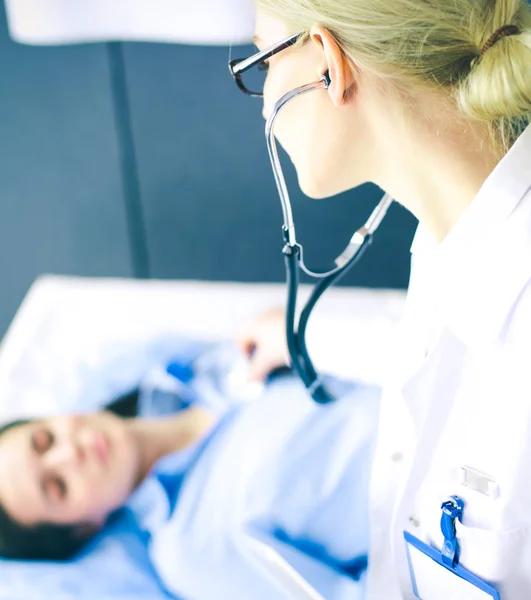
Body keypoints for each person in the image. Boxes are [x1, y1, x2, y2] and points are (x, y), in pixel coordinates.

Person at [234, 1, 531, 598]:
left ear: (328, 64)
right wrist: (297, 338)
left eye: (263, 62)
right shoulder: (451, 239)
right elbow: (419, 355)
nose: (264, 104)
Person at [0, 351, 380, 599]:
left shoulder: (201, 366)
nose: (70, 453)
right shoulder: (190, 552)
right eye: (58, 486)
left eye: (44, 439)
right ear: (85, 527)